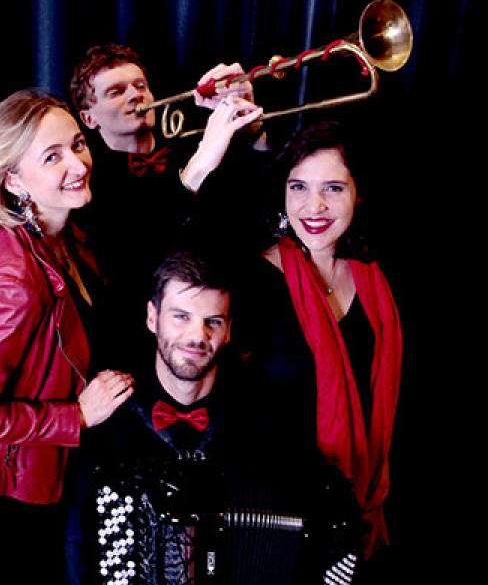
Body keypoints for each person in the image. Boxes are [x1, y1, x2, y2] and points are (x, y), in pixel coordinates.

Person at [64, 250, 363, 585]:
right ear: (152, 318)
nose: (197, 336)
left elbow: (331, 510)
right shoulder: (112, 418)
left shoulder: (266, 418)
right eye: (181, 317)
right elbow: (78, 548)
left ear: (228, 330)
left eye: (213, 322)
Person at [0, 88, 134, 584]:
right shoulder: (16, 285)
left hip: (59, 474)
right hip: (16, 501)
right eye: (52, 157)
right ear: (13, 179)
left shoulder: (62, 236)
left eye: (77, 144)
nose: (77, 163)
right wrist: (78, 415)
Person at [236, 120, 403, 578]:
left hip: (364, 511)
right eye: (299, 187)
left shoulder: (374, 278)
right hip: (283, 525)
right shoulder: (255, 281)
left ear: (358, 194)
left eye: (333, 188)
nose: (314, 206)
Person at [68, 43, 271, 370]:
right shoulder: (88, 184)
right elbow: (141, 259)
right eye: (116, 92)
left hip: (230, 336)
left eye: (140, 85)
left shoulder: (191, 146)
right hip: (147, 352)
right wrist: (198, 168)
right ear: (88, 118)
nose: (135, 95)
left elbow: (257, 210)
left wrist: (253, 130)